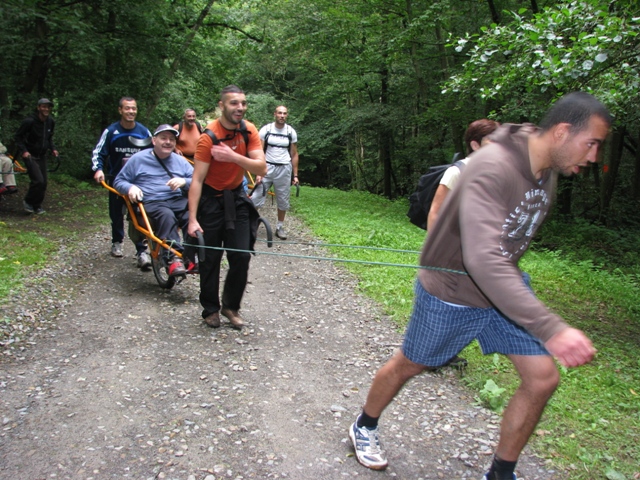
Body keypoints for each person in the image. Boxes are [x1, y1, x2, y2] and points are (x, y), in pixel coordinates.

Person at [349, 92, 610, 480]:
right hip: (452, 293)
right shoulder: (492, 167)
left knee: (542, 377)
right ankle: (364, 425)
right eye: (591, 143)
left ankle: (501, 473)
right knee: (411, 364)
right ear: (561, 132)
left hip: (503, 294)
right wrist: (551, 327)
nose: (593, 157)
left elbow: (505, 248)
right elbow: (483, 257)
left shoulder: (547, 169)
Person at [187, 85, 266, 330]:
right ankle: (210, 309)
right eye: (233, 103)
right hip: (210, 201)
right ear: (221, 106)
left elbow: (261, 168)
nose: (239, 108)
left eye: (243, 103)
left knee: (241, 255)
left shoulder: (248, 130)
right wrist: (192, 219)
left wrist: (233, 157)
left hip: (237, 198)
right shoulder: (208, 137)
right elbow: (197, 180)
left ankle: (231, 306)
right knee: (210, 258)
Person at [113, 125, 193, 276]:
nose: (168, 142)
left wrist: (184, 181)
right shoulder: (138, 159)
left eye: (171, 139)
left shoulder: (180, 161)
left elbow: (197, 179)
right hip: (153, 201)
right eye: (163, 138)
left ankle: (191, 256)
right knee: (166, 216)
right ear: (154, 140)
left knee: (192, 217)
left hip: (176, 198)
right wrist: (130, 188)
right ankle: (173, 258)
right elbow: (118, 181)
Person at [91, 97, 153, 267]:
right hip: (116, 179)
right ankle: (117, 241)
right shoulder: (111, 131)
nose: (131, 112)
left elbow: (154, 154)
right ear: (120, 110)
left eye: (134, 108)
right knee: (116, 213)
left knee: (139, 213)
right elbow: (99, 153)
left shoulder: (143, 132)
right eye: (127, 108)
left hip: (139, 182)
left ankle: (142, 249)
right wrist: (98, 169)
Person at [427, 119, 500, 230]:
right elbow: (435, 213)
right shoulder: (457, 172)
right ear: (475, 145)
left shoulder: (498, 173)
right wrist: (434, 246)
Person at [251, 105, 299, 240]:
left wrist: (295, 175)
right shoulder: (266, 130)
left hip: (284, 168)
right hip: (267, 167)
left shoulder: (291, 132)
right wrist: (258, 172)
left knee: (283, 199)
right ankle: (252, 225)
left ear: (287, 115)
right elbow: (258, 151)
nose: (282, 116)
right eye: (279, 113)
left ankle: (279, 227)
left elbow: (294, 154)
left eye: (284, 113)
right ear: (275, 114)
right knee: (256, 197)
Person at [14, 98, 59, 214]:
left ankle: (37, 205)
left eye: (48, 107)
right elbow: (18, 137)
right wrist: (24, 151)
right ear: (38, 108)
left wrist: (53, 149)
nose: (46, 109)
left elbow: (49, 138)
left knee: (44, 182)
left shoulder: (50, 122)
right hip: (30, 155)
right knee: (38, 180)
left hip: (42, 155)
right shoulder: (29, 121)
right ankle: (28, 201)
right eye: (44, 106)